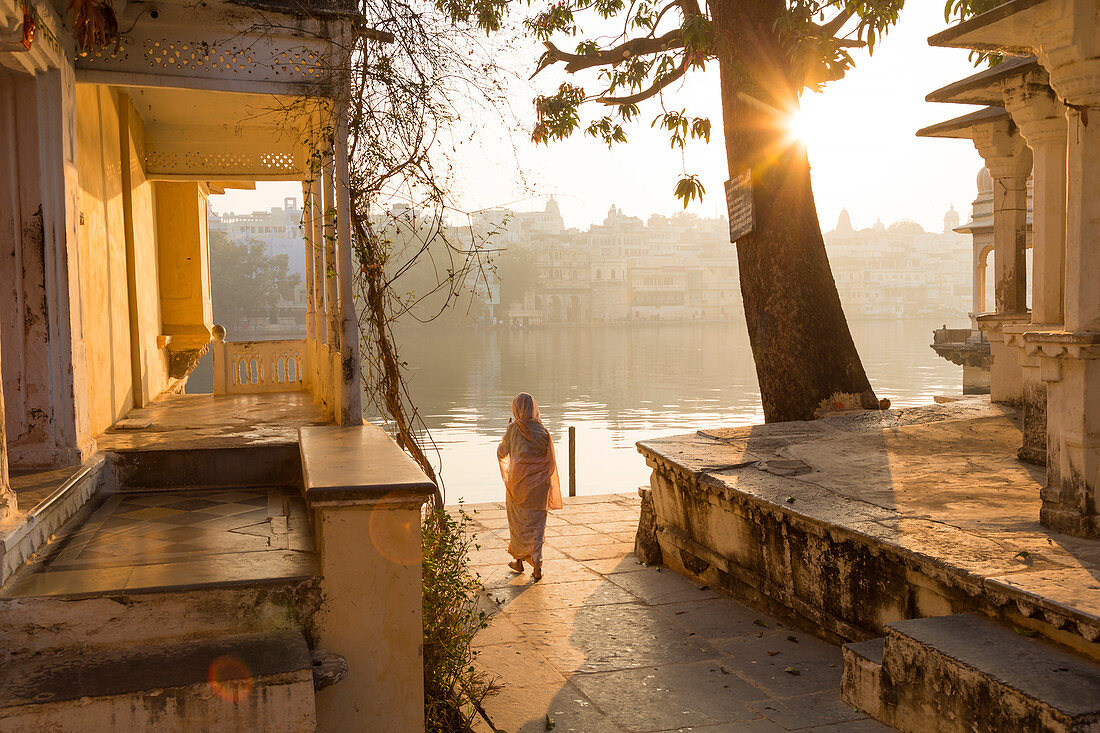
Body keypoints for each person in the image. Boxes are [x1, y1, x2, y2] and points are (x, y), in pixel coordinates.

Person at [496, 392, 562, 580]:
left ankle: (519, 560)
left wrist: (507, 431)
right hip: (540, 486)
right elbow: (549, 461)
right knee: (537, 526)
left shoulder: (513, 429)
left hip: (519, 485)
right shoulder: (543, 431)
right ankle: (536, 565)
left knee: (518, 523)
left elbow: (502, 453)